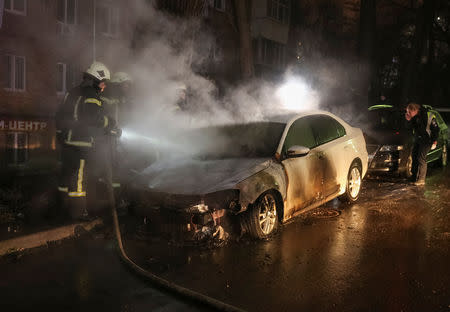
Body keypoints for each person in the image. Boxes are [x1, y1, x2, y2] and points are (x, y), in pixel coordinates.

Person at [56, 61, 119, 219]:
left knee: (66, 177)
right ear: (97, 80)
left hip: (67, 142)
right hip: (81, 143)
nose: (104, 87)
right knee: (79, 179)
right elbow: (93, 118)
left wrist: (60, 134)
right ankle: (78, 213)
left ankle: (61, 208)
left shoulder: (73, 92)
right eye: (104, 83)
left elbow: (59, 116)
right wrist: (109, 124)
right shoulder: (92, 95)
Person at [100, 72, 132, 192]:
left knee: (118, 165)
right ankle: (109, 194)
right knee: (110, 166)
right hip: (107, 139)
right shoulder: (106, 98)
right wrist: (111, 130)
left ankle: (117, 193)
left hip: (117, 137)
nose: (127, 88)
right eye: (125, 85)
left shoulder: (122, 99)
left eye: (129, 85)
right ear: (117, 84)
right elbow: (103, 119)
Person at [405, 102, 439, 186]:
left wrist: (434, 141)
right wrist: (409, 120)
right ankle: (414, 177)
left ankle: (421, 179)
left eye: (409, 112)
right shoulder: (414, 118)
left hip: (427, 140)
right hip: (418, 140)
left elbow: (435, 129)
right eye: (407, 112)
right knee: (414, 156)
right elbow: (409, 128)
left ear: (414, 110)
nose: (408, 113)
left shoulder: (427, 115)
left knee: (421, 158)